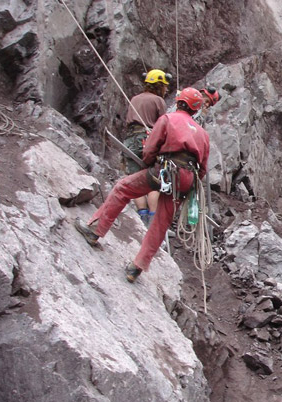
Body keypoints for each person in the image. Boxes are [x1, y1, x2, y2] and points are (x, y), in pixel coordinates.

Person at [75, 88, 210, 283]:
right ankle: (136, 267)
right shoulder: (203, 135)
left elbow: (150, 149)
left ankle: (96, 230)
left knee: (123, 188)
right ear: (195, 110)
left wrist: (148, 164)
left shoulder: (168, 119)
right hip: (187, 179)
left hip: (166, 170)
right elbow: (203, 168)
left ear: (179, 102)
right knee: (161, 222)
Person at [123, 69, 171, 226]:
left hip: (129, 140)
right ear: (159, 86)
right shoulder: (158, 101)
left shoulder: (135, 99)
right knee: (153, 181)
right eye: (164, 86)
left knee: (135, 179)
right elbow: (163, 124)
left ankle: (142, 216)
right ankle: (153, 220)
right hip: (146, 139)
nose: (166, 89)